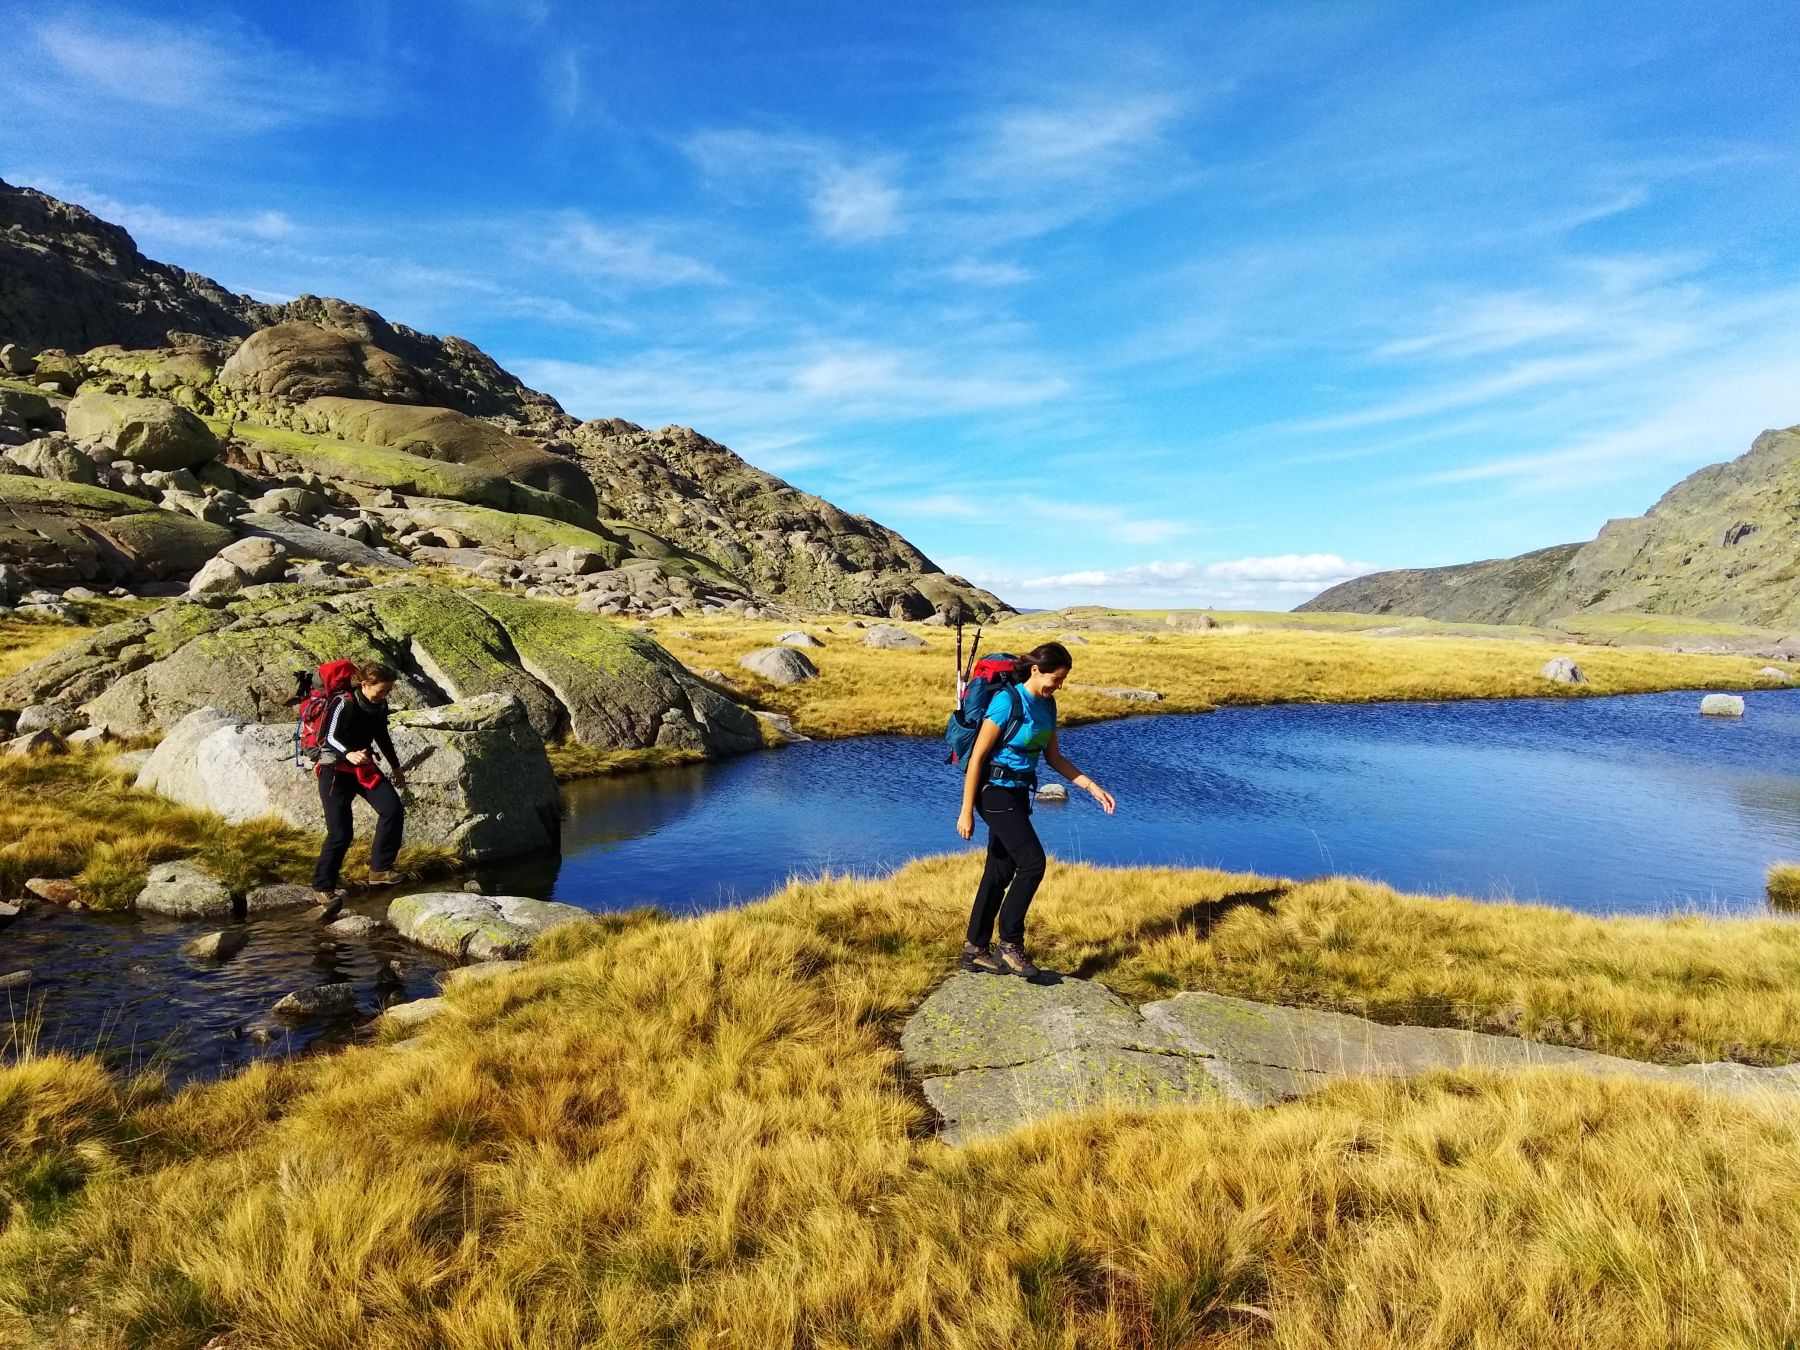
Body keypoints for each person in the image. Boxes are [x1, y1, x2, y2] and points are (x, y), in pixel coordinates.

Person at [955, 642, 1115, 980]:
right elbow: (976, 760)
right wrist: (966, 810)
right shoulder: (1006, 702)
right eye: (1056, 678)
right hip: (993, 792)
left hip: (1018, 793)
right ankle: (1010, 943)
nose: (1058, 685)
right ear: (1035, 671)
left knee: (1000, 870)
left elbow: (1054, 758)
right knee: (1032, 863)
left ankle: (974, 948)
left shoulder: (1048, 705)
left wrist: (1092, 787)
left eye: (1063, 680)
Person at [311, 661, 409, 918]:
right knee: (340, 833)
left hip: (364, 769)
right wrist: (348, 753)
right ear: (365, 684)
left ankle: (380, 870)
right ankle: (323, 887)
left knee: (393, 810)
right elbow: (328, 737)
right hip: (335, 771)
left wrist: (396, 768)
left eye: (387, 691)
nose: (384, 695)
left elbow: (382, 736)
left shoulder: (380, 705)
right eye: (381, 690)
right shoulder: (343, 702)